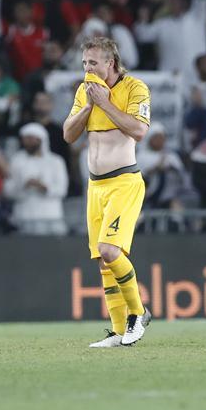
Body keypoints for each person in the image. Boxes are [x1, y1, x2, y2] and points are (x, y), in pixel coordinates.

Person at [63, 36, 151, 348]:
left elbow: (139, 131)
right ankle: (117, 331)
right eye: (84, 63)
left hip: (124, 182)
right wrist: (89, 105)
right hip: (96, 186)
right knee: (103, 259)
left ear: (110, 63)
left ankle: (137, 315)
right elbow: (68, 134)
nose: (87, 68)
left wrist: (105, 103)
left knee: (112, 251)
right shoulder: (84, 92)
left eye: (93, 63)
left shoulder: (135, 88)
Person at [4, 122, 68, 235]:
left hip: (51, 218)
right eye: (24, 139)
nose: (26, 142)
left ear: (40, 140)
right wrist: (24, 186)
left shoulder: (56, 161)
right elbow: (7, 189)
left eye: (30, 138)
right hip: (24, 217)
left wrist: (44, 187)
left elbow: (62, 190)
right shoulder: (17, 160)